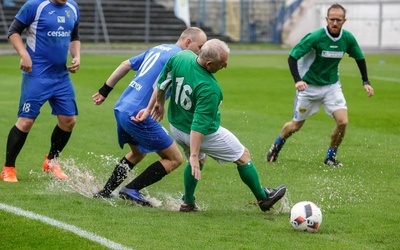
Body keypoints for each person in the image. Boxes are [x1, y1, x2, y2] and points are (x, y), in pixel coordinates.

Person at [138, 39, 286, 212]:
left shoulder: (182, 56)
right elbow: (198, 126)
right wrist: (193, 154)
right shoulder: (210, 88)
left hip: (176, 127)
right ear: (209, 64)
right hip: (200, 132)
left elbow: (162, 82)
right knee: (243, 156)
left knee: (199, 159)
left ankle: (188, 202)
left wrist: (159, 104)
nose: (225, 66)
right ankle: (264, 199)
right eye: (222, 64)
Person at [92, 27, 207, 205]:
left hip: (122, 108)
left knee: (137, 153)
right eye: (200, 47)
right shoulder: (178, 58)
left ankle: (105, 191)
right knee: (174, 159)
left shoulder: (159, 48)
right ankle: (131, 190)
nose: (201, 52)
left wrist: (104, 90)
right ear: (188, 42)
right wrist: (154, 106)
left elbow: (126, 64)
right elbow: (158, 86)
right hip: (139, 114)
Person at [266, 3, 374, 167]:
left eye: (339, 20)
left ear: (344, 21)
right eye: (332, 19)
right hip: (308, 88)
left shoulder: (348, 39)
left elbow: (359, 57)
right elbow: (292, 57)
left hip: (332, 87)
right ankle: (277, 144)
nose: (335, 23)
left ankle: (330, 157)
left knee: (343, 122)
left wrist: (365, 81)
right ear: (326, 19)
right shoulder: (315, 37)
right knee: (295, 126)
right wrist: (298, 80)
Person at [1, 0, 81, 182]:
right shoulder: (34, 6)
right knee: (26, 121)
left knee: (69, 121)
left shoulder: (73, 8)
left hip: (61, 76)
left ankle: (51, 162)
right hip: (36, 74)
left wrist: (77, 56)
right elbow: (13, 31)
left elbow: (74, 36)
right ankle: (8, 168)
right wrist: (24, 54)